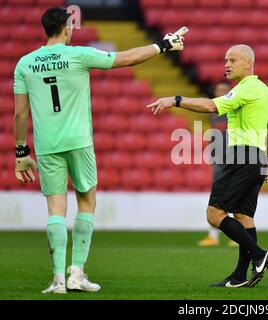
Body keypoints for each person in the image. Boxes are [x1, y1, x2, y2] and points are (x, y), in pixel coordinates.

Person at [13, 6, 185, 294]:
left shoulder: (24, 64)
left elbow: (19, 114)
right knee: (86, 203)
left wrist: (21, 153)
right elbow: (127, 59)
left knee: (55, 210)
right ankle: (76, 274)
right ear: (67, 28)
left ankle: (57, 280)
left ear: (45, 30)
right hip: (79, 141)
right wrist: (162, 45)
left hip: (46, 146)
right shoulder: (78, 54)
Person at [148, 44, 268, 288]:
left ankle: (259, 254)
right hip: (257, 158)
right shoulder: (264, 90)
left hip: (241, 156)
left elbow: (211, 106)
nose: (227, 65)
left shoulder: (247, 88)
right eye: (225, 60)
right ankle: (240, 276)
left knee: (214, 214)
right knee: (243, 217)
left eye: (232, 60)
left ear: (249, 63)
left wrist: (175, 100)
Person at [198, 81, 238, 248]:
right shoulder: (213, 112)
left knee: (236, 197)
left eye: (224, 91)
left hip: (235, 159)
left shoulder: (235, 110)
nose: (220, 93)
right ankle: (213, 236)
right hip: (219, 161)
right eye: (218, 90)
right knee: (216, 198)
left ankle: (237, 236)